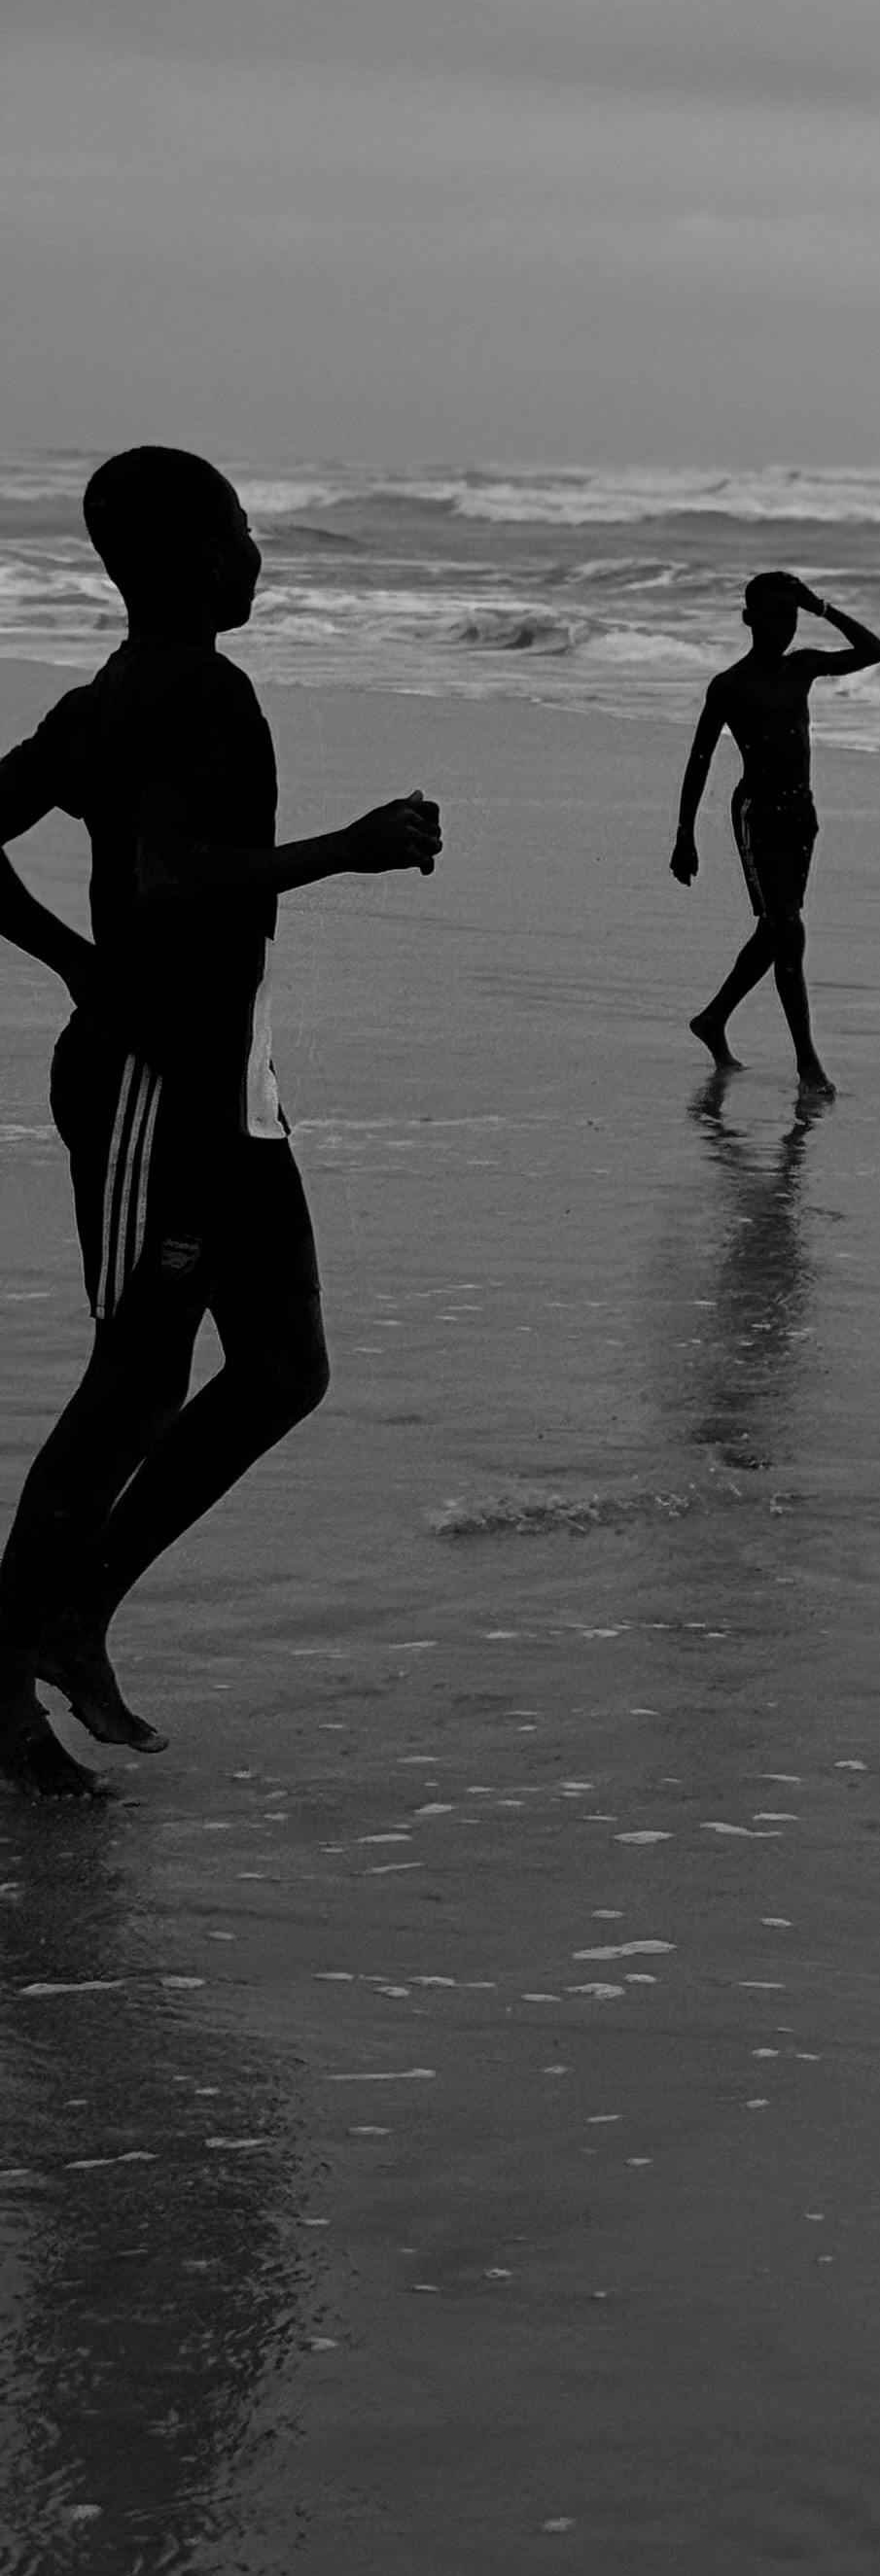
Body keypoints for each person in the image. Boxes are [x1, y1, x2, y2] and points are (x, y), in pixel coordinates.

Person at [0, 449, 442, 1798]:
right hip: (153, 1082)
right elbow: (176, 871)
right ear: (197, 556)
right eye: (243, 536)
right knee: (136, 1385)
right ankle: (9, 1672)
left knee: (280, 1369)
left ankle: (68, 1616)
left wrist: (74, 958)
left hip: (217, 1075)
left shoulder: (109, 698)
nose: (258, 557)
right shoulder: (195, 688)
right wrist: (349, 849)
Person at [672, 571, 880, 1094]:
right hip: (758, 817)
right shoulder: (729, 686)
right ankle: (808, 1065)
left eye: (790, 617)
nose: (783, 627)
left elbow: (875, 650)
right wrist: (685, 834)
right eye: (773, 616)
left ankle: (713, 1019)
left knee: (776, 931)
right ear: (749, 620)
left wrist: (821, 607)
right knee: (788, 930)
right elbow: (699, 759)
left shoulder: (804, 666)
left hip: (801, 816)